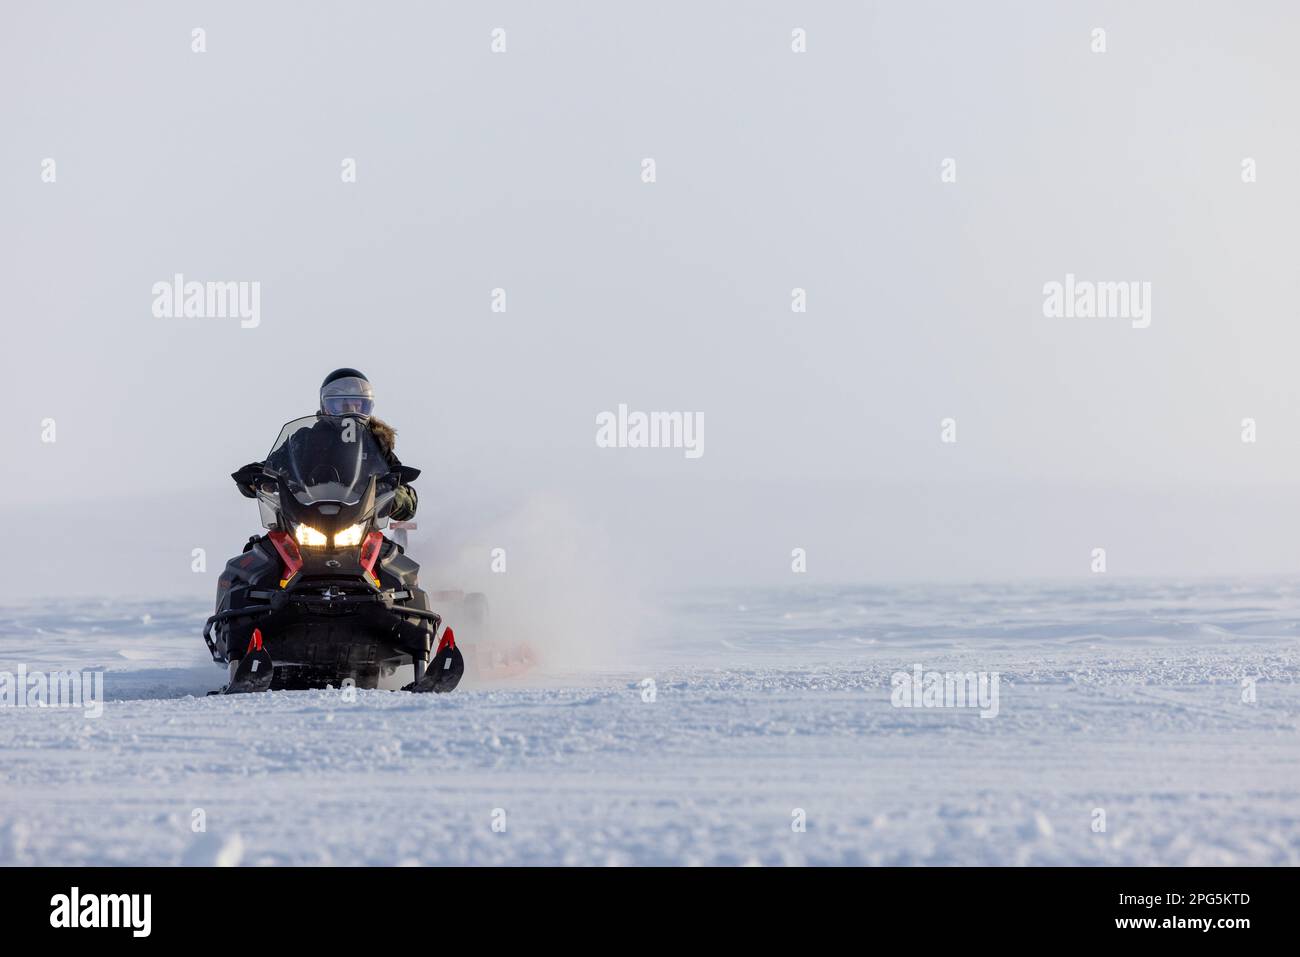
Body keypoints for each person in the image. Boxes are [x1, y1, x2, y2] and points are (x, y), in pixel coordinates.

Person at [234, 368, 418, 522]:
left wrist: (397, 497)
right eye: (342, 405)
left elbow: (403, 486)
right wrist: (255, 479)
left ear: (368, 407)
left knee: (392, 560)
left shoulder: (376, 443)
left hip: (360, 526)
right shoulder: (304, 439)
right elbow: (271, 467)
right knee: (256, 557)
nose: (351, 411)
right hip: (303, 523)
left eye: (358, 405)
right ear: (325, 405)